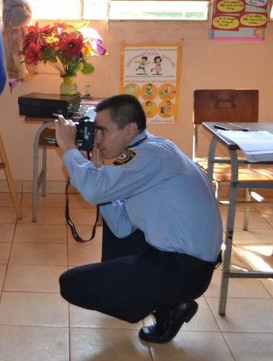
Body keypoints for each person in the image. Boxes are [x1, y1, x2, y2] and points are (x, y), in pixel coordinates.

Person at [54, 94, 222, 344]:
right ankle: (151, 295)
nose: (97, 138)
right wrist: (100, 173)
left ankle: (168, 306)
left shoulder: (148, 156)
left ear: (130, 129)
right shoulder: (151, 148)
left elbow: (92, 190)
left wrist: (68, 149)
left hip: (184, 271)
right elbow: (122, 229)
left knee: (71, 284)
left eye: (103, 130)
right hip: (183, 260)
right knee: (112, 212)